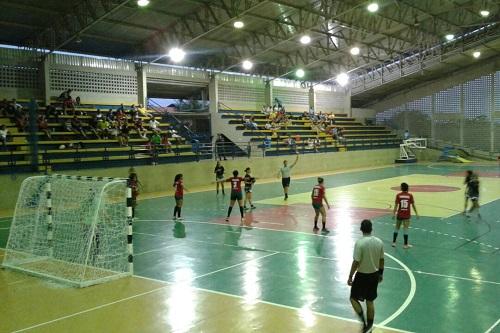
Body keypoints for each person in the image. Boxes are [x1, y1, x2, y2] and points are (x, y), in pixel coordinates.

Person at [348, 219, 384, 333]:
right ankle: (370, 326)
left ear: (361, 229)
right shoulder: (379, 242)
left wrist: (350, 276)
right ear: (371, 228)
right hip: (374, 275)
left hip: (362, 276)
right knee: (370, 301)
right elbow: (382, 260)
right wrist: (381, 273)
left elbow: (356, 262)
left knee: (353, 298)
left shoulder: (360, 243)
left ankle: (363, 322)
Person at [392, 182, 419, 249]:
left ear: (402, 188)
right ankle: (405, 244)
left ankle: (394, 243)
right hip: (406, 215)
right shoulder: (410, 195)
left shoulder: (398, 195)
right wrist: (416, 213)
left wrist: (393, 214)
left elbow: (396, 206)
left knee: (397, 228)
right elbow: (413, 205)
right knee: (405, 229)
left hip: (400, 214)